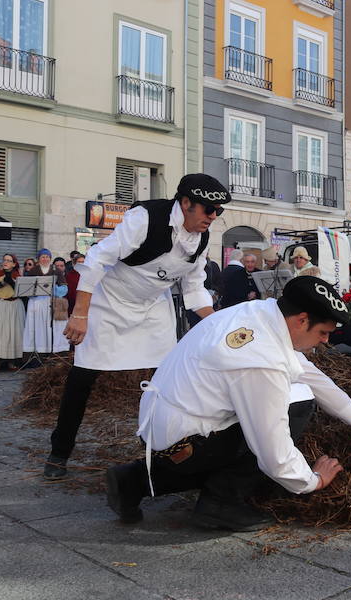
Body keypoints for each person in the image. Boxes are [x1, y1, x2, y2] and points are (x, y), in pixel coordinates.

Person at [104, 276, 351, 530]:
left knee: (288, 397)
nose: (324, 341)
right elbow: (272, 447)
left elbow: (310, 374)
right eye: (323, 333)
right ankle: (221, 503)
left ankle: (133, 481)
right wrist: (313, 480)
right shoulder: (260, 358)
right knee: (298, 402)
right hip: (187, 442)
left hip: (163, 433)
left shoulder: (258, 314)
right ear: (302, 320)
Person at [44, 173, 229, 479]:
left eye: (218, 212)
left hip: (153, 307)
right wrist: (80, 314)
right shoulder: (145, 217)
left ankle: (164, 449)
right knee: (83, 376)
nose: (213, 217)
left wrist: (221, 325)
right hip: (109, 303)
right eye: (208, 209)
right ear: (185, 203)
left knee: (167, 379)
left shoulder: (200, 239)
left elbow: (194, 289)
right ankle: (59, 451)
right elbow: (97, 259)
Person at [22, 249, 69, 355]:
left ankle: (51, 351)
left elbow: (64, 289)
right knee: (36, 328)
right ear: (38, 259)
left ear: (50, 258)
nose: (45, 259)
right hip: (36, 303)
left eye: (47, 257)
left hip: (51, 302)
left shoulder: (56, 271)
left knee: (50, 327)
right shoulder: (33, 271)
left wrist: (53, 289)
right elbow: (27, 288)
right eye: (43, 257)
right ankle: (38, 351)